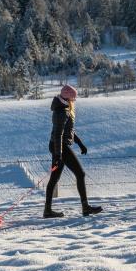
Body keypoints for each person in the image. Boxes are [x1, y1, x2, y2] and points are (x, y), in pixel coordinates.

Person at [44, 84, 103, 218]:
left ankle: (47, 210)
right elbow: (58, 134)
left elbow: (68, 130)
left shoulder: (63, 108)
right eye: (73, 98)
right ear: (68, 98)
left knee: (54, 178)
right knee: (80, 174)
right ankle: (85, 207)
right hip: (60, 146)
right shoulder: (62, 111)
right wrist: (58, 155)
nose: (74, 101)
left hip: (58, 146)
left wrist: (79, 143)